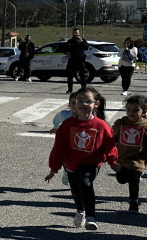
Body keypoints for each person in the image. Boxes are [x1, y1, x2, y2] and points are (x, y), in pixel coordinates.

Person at [46, 87, 118, 231]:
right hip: (71, 164)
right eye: (79, 101)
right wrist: (54, 168)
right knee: (75, 190)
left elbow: (110, 145)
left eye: (88, 101)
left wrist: (113, 162)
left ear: (96, 104)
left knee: (85, 183)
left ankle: (91, 217)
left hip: (91, 162)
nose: (83, 104)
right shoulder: (67, 125)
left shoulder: (101, 125)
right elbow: (58, 148)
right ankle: (80, 210)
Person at [111, 94, 147, 213]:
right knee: (121, 179)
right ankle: (131, 179)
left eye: (136, 110)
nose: (131, 113)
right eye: (128, 109)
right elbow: (111, 138)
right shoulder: (120, 123)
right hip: (122, 159)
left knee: (134, 181)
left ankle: (133, 203)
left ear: (144, 111)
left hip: (138, 161)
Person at [64, 27, 90, 94]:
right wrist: (67, 53)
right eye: (74, 33)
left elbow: (87, 47)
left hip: (80, 60)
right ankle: (70, 89)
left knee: (82, 75)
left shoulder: (82, 40)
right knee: (70, 75)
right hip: (72, 60)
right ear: (72, 33)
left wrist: (81, 41)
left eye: (77, 33)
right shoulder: (70, 41)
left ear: (79, 33)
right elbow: (64, 49)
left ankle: (83, 89)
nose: (75, 34)